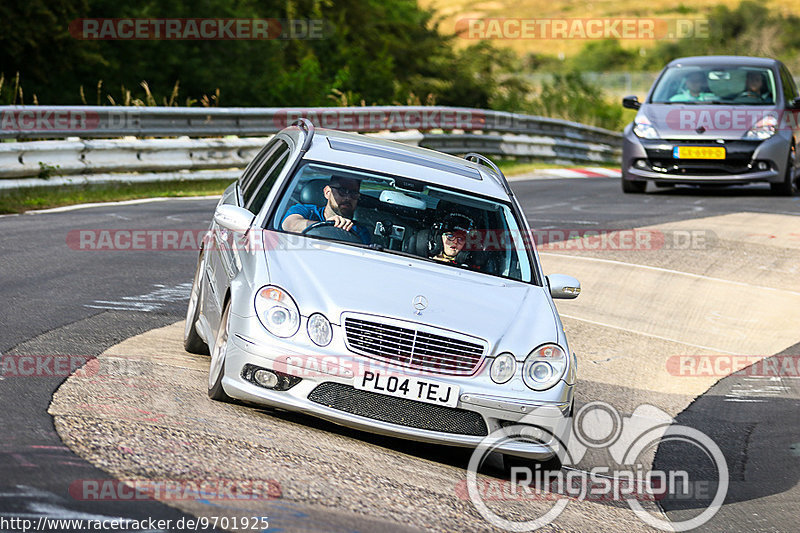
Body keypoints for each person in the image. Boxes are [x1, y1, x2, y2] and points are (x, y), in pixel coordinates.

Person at [281, 176, 371, 244]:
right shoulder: (305, 211)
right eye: (342, 191)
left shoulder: (359, 231)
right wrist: (326, 227)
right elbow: (289, 225)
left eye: (354, 193)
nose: (348, 197)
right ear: (327, 192)